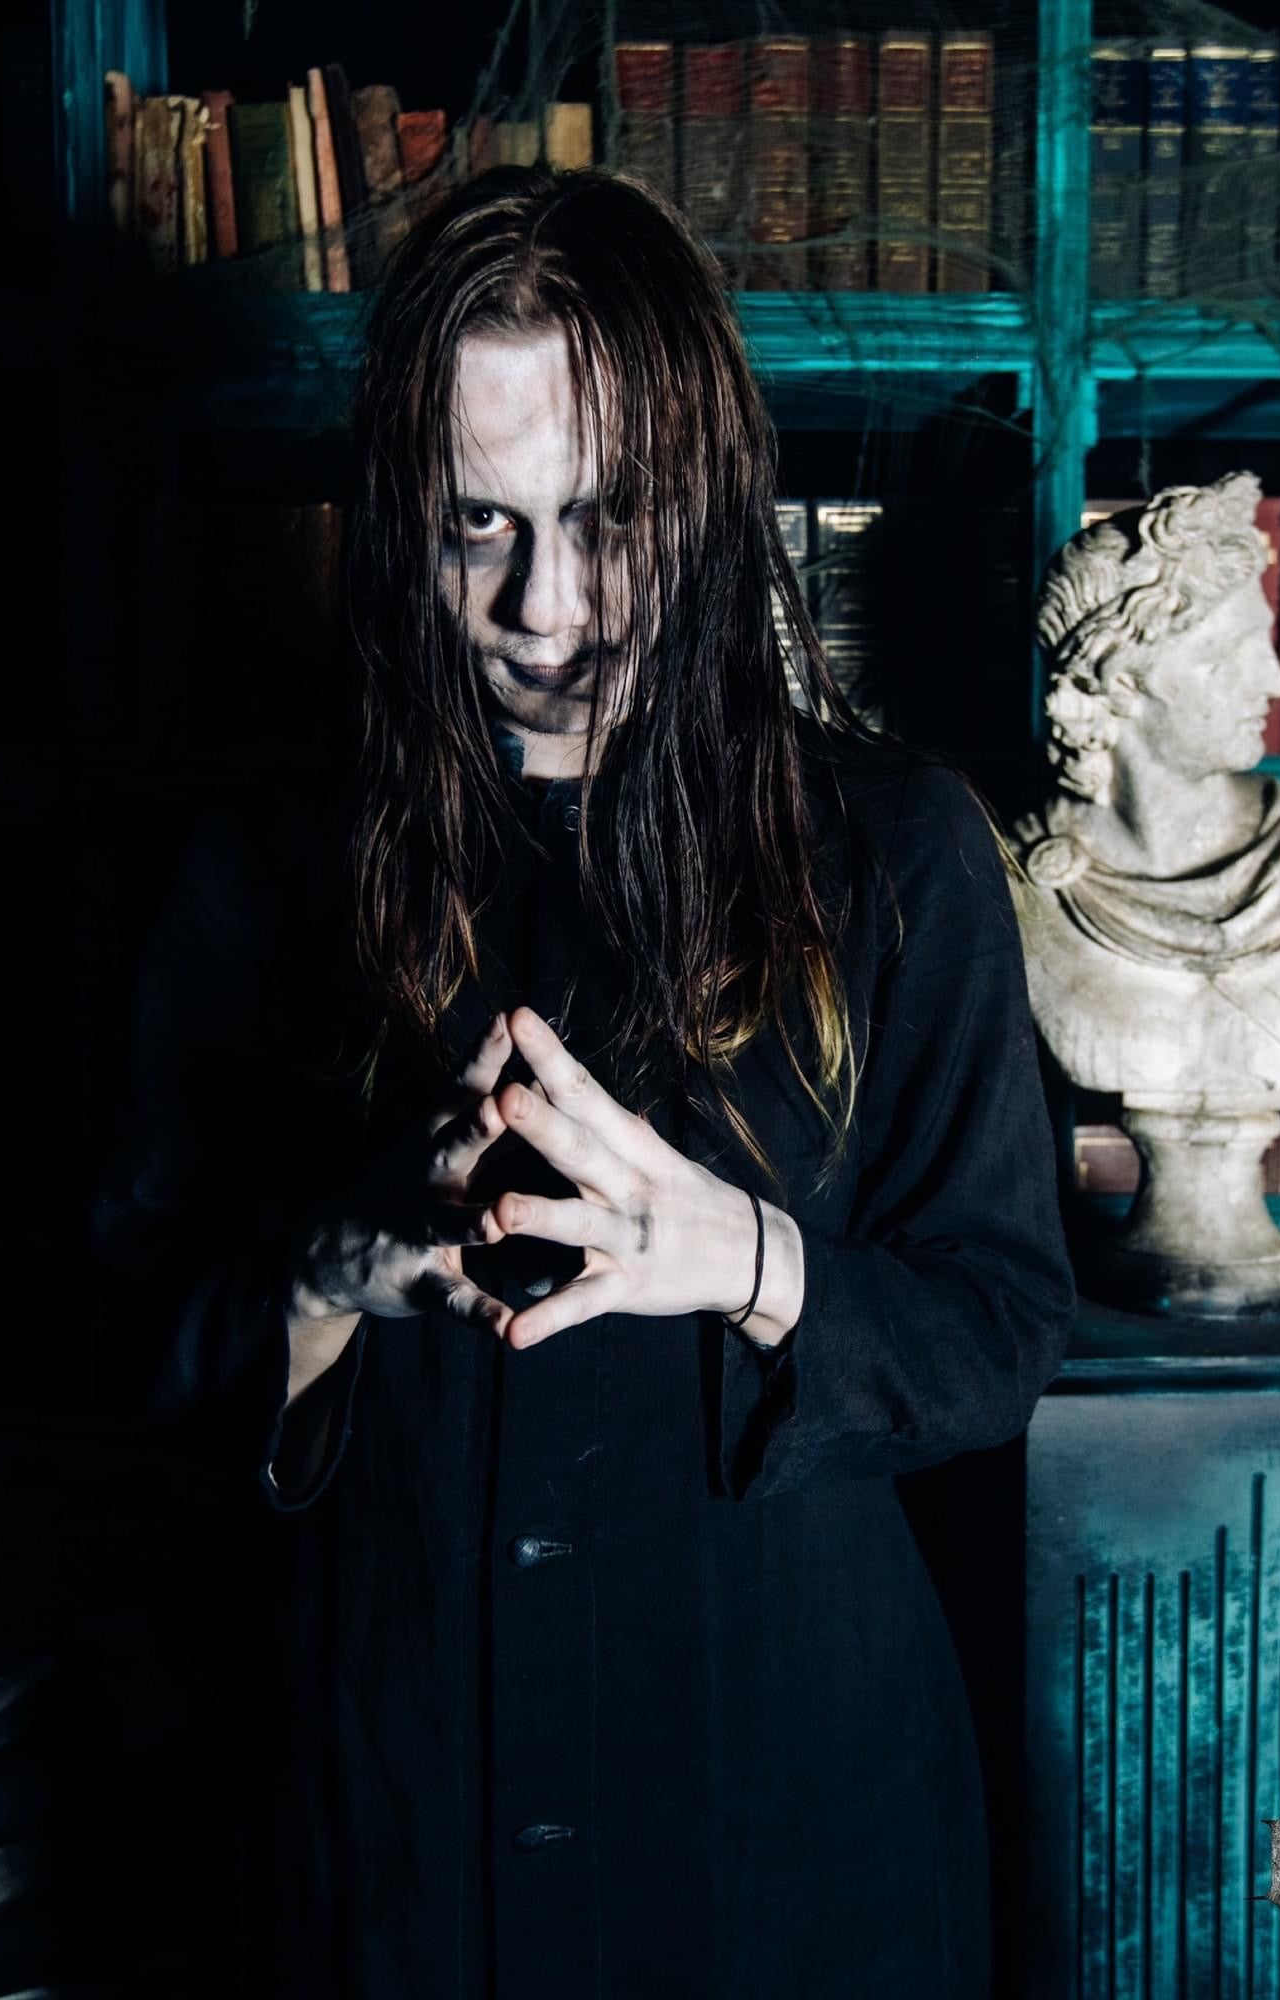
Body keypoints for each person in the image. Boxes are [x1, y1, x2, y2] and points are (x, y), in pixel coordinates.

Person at [94, 164, 1075, 1997]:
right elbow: (129, 1348)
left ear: (705, 500)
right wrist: (333, 1269)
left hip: (788, 1838)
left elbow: (1003, 1337)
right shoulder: (263, 860)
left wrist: (749, 1258)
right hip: (386, 1835)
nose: (547, 605)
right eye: (480, 525)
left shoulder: (902, 852)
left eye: (606, 517)